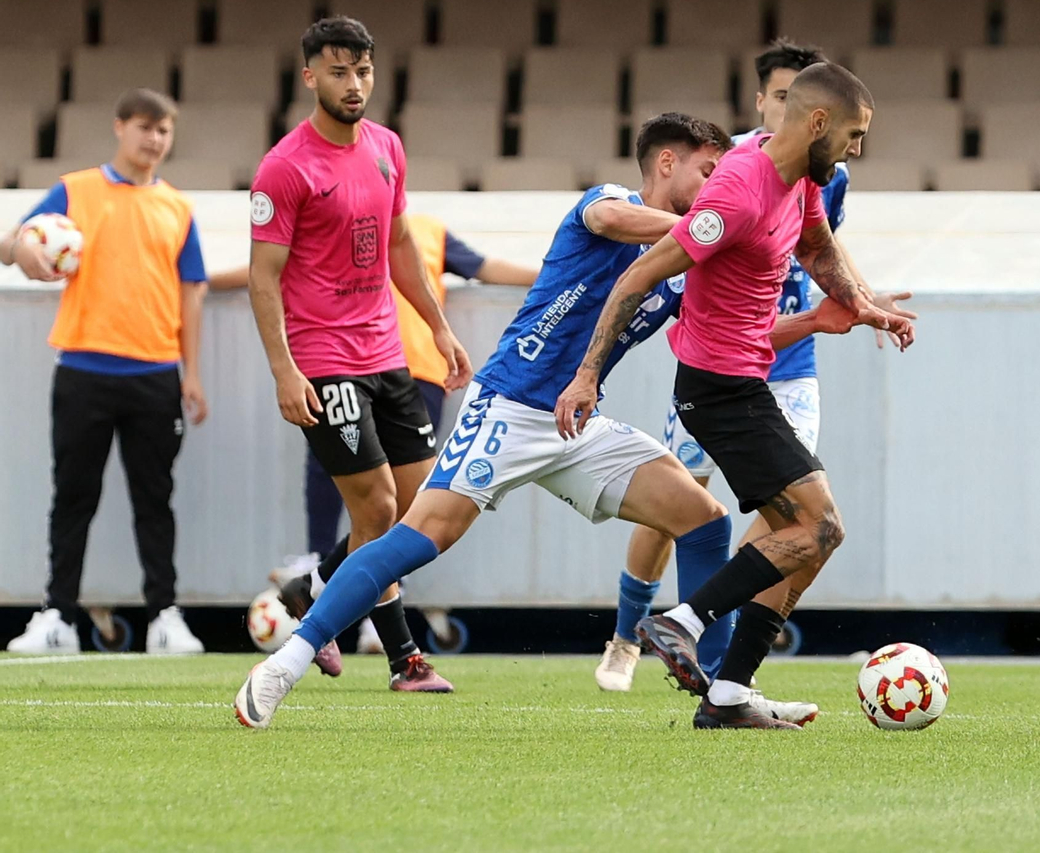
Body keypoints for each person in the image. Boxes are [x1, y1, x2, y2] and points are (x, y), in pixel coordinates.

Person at [234, 112, 877, 730]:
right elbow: (614, 218)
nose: (717, 187)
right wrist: (718, 225)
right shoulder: (610, 203)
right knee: (420, 536)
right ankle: (286, 662)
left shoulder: (688, 260)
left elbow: (729, 333)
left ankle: (724, 694)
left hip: (578, 421)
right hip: (511, 405)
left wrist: (815, 320)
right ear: (666, 162)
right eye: (708, 173)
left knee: (703, 520)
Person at [555, 62, 915, 730]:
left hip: (747, 380)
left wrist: (862, 305)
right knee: (820, 527)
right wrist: (587, 374)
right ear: (818, 123)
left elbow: (817, 248)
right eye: (854, 134)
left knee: (808, 537)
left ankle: (727, 694)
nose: (858, 149)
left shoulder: (802, 178)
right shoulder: (738, 192)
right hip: (718, 389)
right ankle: (682, 622)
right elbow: (639, 275)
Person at [246, 16, 471, 693]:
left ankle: (312, 588)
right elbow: (263, 278)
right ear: (310, 76)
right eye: (339, 71)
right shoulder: (284, 167)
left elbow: (400, 245)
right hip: (323, 359)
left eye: (364, 71)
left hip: (387, 353)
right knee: (375, 509)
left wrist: (438, 327)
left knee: (420, 509)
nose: (354, 84)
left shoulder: (386, 147)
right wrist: (285, 371)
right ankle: (405, 660)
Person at [210, 217, 538, 656]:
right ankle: (325, 574)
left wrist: (555, 275)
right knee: (341, 476)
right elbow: (271, 268)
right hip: (345, 364)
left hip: (415, 371)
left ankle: (341, 595)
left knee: (409, 501)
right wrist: (205, 279)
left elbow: (484, 267)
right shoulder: (336, 221)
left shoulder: (424, 230)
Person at [1, 88, 208, 655]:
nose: (154, 139)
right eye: (144, 127)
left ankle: (164, 617)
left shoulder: (178, 207)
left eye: (164, 130)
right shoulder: (74, 190)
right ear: (119, 127)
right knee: (73, 496)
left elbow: (191, 291)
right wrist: (23, 253)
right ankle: (57, 616)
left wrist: (192, 372)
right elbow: (11, 240)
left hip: (155, 374)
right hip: (83, 369)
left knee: (154, 499)